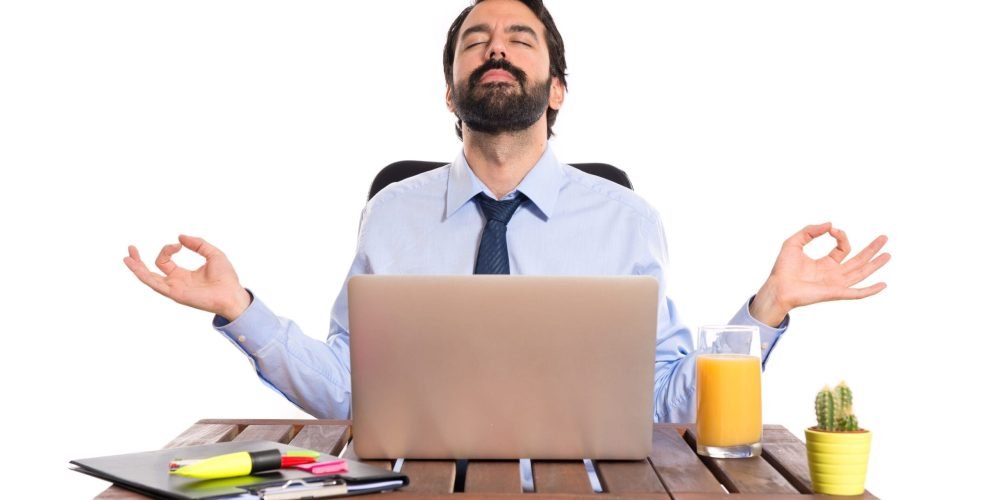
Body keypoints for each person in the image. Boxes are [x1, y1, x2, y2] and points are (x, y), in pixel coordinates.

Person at [123, 0, 889, 422]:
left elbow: (664, 402)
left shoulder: (626, 219)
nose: (496, 49)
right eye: (475, 42)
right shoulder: (392, 213)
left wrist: (769, 307)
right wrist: (239, 308)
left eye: (520, 38)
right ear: (450, 89)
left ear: (557, 88)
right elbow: (350, 391)